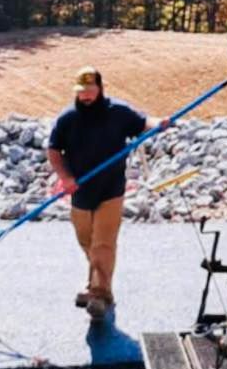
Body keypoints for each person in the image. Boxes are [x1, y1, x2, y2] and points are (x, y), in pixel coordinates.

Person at [47, 67, 164, 321]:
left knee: (103, 243)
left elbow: (143, 123)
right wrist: (66, 178)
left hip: (111, 189)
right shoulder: (68, 118)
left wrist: (159, 124)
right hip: (80, 190)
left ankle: (100, 295)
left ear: (100, 89)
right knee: (86, 240)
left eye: (90, 91)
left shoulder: (118, 112)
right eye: (81, 92)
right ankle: (95, 282)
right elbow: (54, 151)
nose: (86, 97)